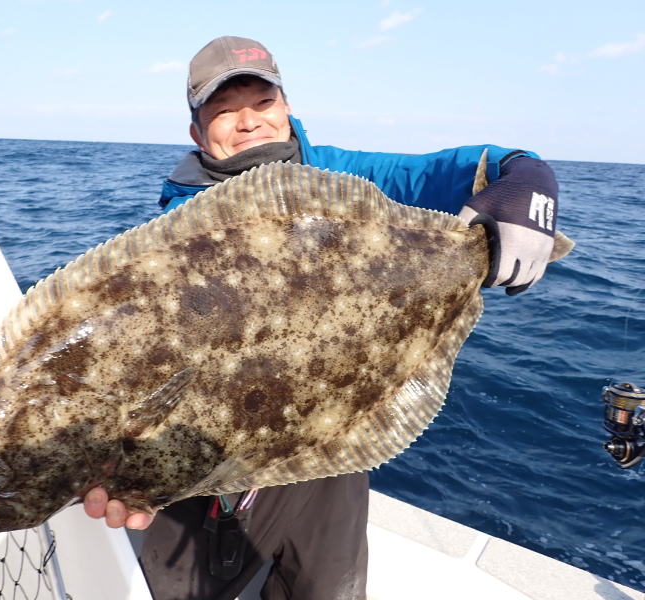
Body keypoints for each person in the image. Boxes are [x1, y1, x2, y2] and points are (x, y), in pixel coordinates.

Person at [83, 35, 559, 599]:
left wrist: (527, 179)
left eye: (263, 102)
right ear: (197, 131)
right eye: (225, 110)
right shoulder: (179, 226)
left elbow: (464, 169)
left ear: (286, 107)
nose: (249, 121)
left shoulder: (343, 174)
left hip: (335, 442)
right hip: (221, 468)